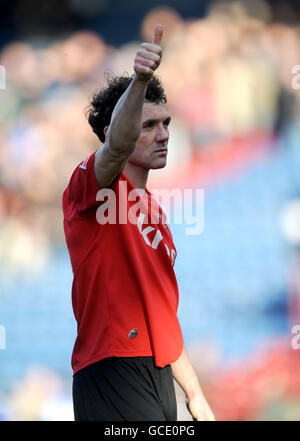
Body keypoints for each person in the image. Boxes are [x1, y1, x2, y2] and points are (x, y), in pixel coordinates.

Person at [62, 24, 215, 422]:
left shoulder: (156, 215)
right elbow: (115, 148)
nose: (164, 134)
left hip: (158, 374)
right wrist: (141, 79)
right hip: (111, 365)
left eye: (166, 123)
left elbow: (162, 314)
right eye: (149, 125)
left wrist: (195, 395)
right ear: (120, 131)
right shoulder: (91, 189)